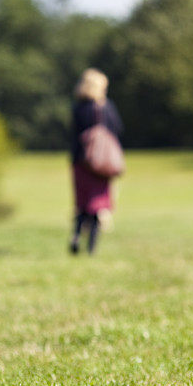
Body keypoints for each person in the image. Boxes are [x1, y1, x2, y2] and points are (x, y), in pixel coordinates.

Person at [69, 68, 124, 255]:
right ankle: (91, 248)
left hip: (79, 161)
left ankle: (76, 236)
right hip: (100, 164)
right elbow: (117, 128)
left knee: (82, 204)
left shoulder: (77, 107)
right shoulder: (104, 107)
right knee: (97, 205)